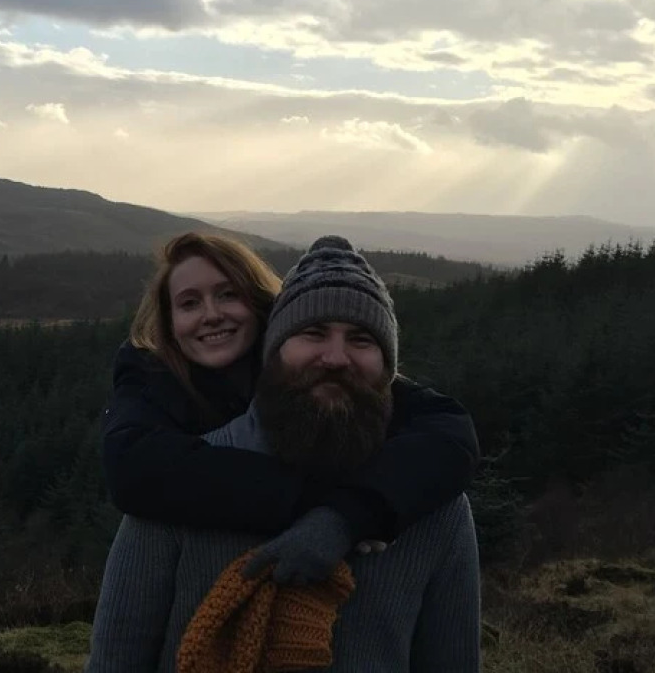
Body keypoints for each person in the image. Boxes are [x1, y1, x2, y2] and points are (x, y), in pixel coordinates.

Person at [86, 237, 481, 673]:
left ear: (387, 364)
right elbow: (118, 662)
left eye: (361, 338)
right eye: (313, 333)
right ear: (275, 351)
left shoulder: (429, 509)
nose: (334, 355)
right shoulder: (181, 480)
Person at [102, 232, 478, 584]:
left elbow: (448, 428)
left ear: (262, 306)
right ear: (169, 323)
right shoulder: (151, 375)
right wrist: (319, 500)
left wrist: (348, 516)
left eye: (229, 294)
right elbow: (132, 467)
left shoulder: (311, 372)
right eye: (189, 303)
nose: (211, 314)